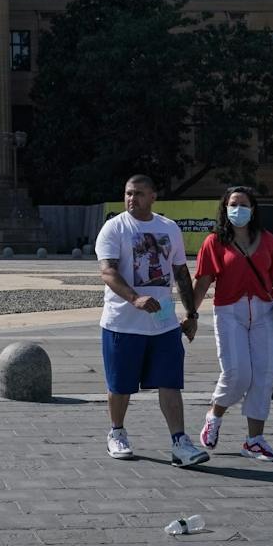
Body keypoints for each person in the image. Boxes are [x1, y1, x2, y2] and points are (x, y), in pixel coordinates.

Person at [95, 174, 209, 466]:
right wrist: (135, 298)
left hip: (164, 323)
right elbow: (108, 271)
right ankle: (117, 432)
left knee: (170, 382)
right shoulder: (114, 228)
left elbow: (182, 273)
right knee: (120, 385)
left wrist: (192, 314)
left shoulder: (168, 228)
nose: (132, 199)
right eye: (128, 193)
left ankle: (180, 442)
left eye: (139, 193)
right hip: (123, 323)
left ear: (153, 196)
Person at [192, 185, 273, 462]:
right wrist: (191, 315)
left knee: (264, 375)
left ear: (253, 209)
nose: (238, 209)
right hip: (229, 311)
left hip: (264, 312)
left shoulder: (268, 240)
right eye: (233, 204)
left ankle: (254, 441)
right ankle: (215, 415)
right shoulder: (215, 241)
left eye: (243, 204)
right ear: (225, 208)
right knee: (237, 374)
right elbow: (204, 280)